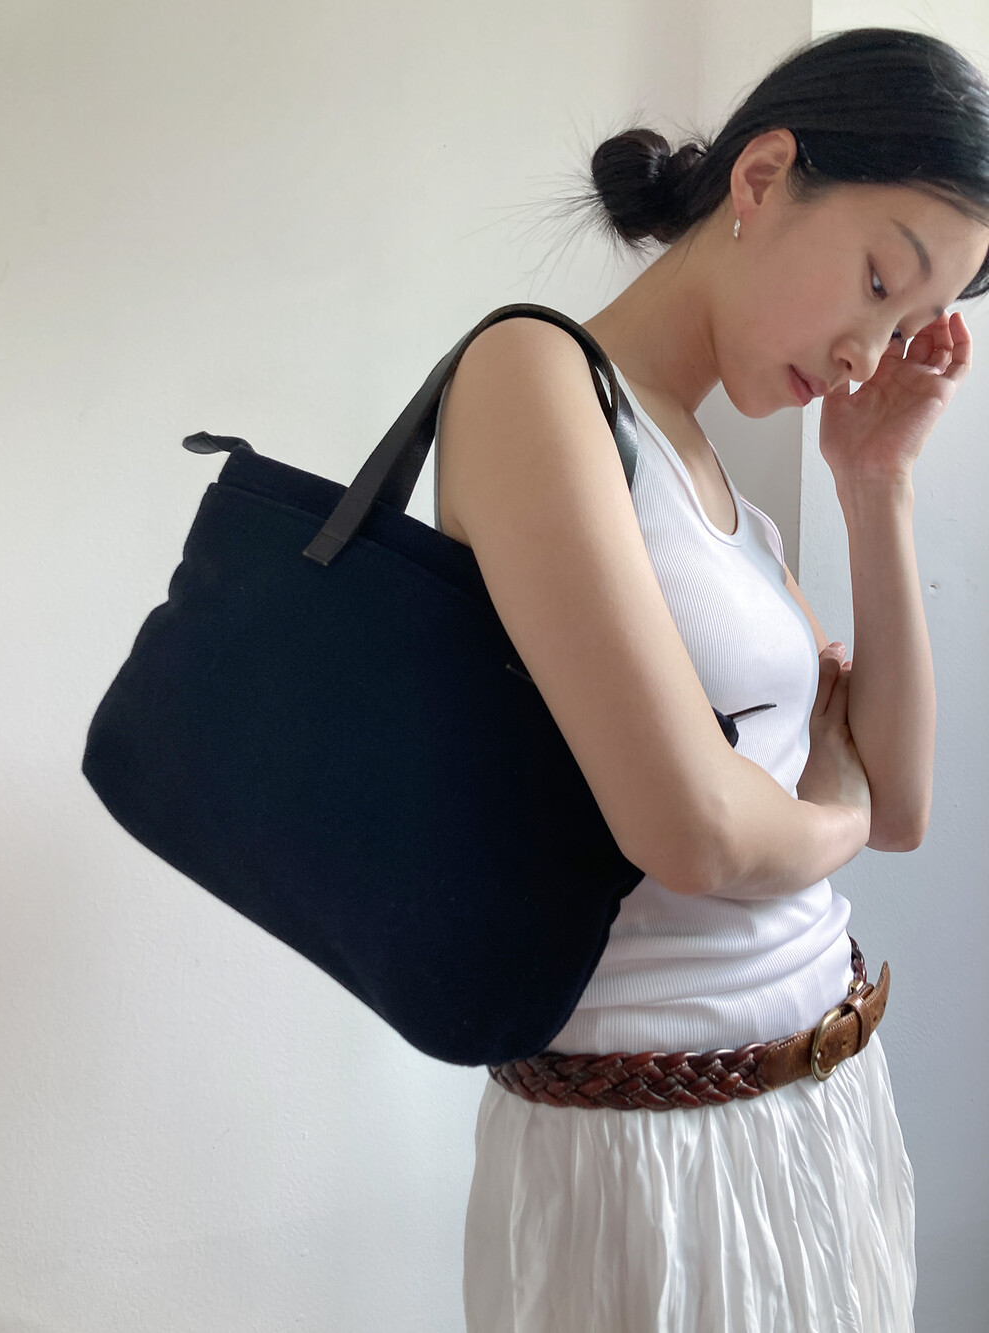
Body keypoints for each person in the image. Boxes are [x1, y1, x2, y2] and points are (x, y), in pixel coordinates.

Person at [431, 25, 989, 1333]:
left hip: (821, 1107)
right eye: (878, 280)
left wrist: (875, 482)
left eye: (910, 324)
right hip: (649, 1157)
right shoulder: (534, 375)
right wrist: (828, 805)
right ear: (763, 176)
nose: (868, 354)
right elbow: (697, 831)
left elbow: (902, 800)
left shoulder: (715, 485)